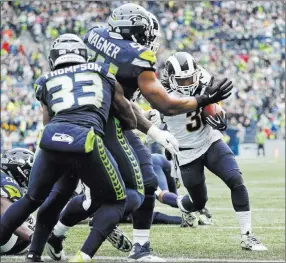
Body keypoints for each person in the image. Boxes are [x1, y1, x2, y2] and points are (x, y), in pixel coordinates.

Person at [46, 5, 233, 262]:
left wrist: (153, 129)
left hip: (104, 122)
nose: (150, 40)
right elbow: (164, 103)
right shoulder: (133, 56)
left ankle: (138, 248)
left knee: (142, 183)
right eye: (146, 33)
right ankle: (56, 236)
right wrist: (202, 100)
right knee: (96, 198)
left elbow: (120, 98)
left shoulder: (97, 39)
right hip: (99, 127)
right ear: (132, 32)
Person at [0, 33, 137, 262]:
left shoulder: (45, 80)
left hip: (52, 141)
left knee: (34, 199)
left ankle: (34, 254)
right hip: (86, 141)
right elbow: (130, 119)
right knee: (116, 200)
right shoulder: (103, 73)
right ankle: (82, 256)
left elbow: (47, 121)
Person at [148, 51, 267, 251]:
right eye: (182, 80)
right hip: (186, 153)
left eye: (190, 78)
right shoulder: (162, 96)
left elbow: (214, 100)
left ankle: (247, 236)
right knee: (198, 202)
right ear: (171, 79)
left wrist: (218, 113)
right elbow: (167, 113)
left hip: (210, 141)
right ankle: (186, 207)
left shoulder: (202, 76)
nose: (188, 83)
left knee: (236, 180)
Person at [0, 148, 36, 255]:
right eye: (29, 172)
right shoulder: (7, 181)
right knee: (29, 221)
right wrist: (36, 238)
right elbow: (9, 216)